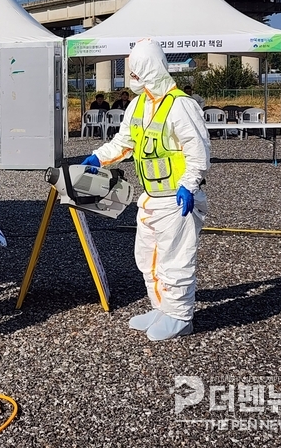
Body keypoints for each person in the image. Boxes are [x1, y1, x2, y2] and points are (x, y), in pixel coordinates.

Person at [80, 39, 210, 342]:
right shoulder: (138, 105)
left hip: (178, 199)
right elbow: (124, 143)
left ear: (149, 70)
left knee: (175, 258)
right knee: (148, 257)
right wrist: (98, 157)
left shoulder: (181, 106)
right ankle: (161, 307)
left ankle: (179, 316)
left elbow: (198, 152)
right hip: (150, 197)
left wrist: (189, 184)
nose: (132, 80)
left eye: (135, 73)